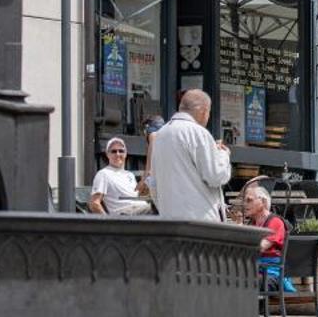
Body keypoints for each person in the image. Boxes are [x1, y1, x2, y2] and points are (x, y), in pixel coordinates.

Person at [150, 89, 233, 222]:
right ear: (203, 111)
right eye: (208, 113)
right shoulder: (198, 132)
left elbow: (153, 183)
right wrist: (223, 154)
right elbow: (215, 176)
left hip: (169, 219)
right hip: (200, 221)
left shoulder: (161, 135)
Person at [88, 137, 151, 216]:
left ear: (125, 154)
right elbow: (94, 203)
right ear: (107, 154)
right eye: (113, 151)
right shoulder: (103, 174)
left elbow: (135, 196)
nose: (118, 154)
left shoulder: (129, 175)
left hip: (141, 210)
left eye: (121, 151)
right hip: (125, 215)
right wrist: (109, 223)